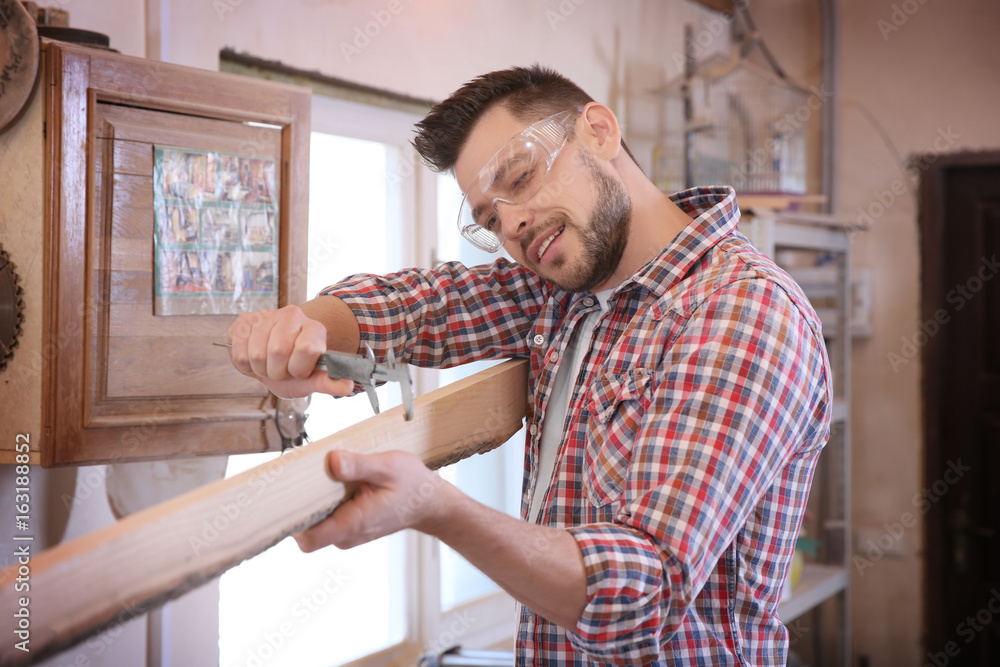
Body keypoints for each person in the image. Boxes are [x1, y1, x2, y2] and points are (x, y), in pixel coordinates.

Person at [226, 64, 832, 666]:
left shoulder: (742, 310)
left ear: (598, 131)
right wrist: (301, 327)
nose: (511, 224)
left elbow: (644, 593)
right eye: (490, 219)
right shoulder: (564, 292)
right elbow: (428, 307)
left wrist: (438, 509)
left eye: (520, 176)